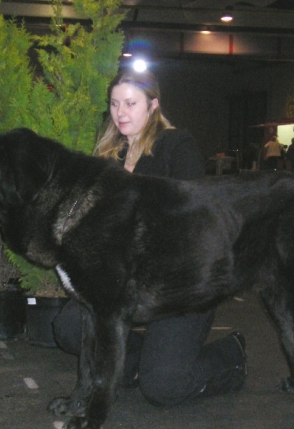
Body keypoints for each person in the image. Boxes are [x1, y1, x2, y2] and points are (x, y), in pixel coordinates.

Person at [52, 69, 247, 407]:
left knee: (165, 387)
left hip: (181, 284)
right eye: (114, 103)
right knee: (68, 328)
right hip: (125, 284)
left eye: (130, 103)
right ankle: (137, 364)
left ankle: (232, 355)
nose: (120, 113)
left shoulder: (176, 145)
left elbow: (195, 218)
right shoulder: (108, 156)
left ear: (153, 105)